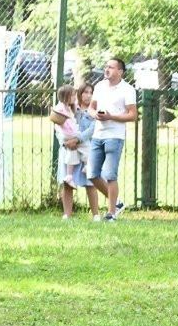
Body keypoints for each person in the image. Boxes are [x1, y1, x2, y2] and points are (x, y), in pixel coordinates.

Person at [88, 57, 137, 221]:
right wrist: (94, 114)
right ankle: (117, 202)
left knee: (110, 175)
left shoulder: (127, 89)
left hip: (114, 136)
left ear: (120, 71)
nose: (107, 69)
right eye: (106, 66)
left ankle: (111, 214)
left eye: (111, 67)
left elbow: (132, 115)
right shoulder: (100, 86)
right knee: (92, 174)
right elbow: (91, 107)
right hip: (98, 134)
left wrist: (111, 117)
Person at [53, 83, 100, 220]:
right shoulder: (69, 108)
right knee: (68, 182)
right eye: (85, 92)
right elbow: (59, 126)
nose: (88, 95)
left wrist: (78, 140)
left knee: (90, 183)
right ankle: (67, 213)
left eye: (91, 92)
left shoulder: (94, 110)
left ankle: (96, 214)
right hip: (68, 147)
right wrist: (65, 142)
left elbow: (92, 129)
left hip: (85, 147)